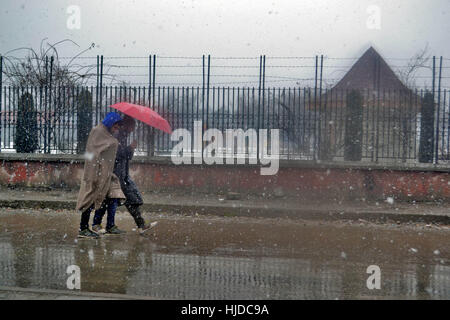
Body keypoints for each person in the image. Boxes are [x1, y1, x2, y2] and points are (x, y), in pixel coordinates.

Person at [92, 115, 157, 235]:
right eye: (133, 125)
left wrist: (131, 149)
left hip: (122, 175)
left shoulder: (123, 135)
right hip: (116, 174)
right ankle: (97, 224)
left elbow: (126, 156)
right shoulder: (118, 135)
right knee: (109, 199)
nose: (134, 128)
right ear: (127, 125)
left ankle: (140, 224)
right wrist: (129, 148)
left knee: (129, 199)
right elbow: (116, 154)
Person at [76, 112, 126, 239]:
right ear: (110, 122)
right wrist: (92, 174)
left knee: (108, 196)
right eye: (115, 126)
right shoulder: (98, 132)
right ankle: (83, 228)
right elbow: (91, 154)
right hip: (95, 173)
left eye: (118, 127)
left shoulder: (107, 135)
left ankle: (106, 225)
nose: (116, 129)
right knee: (89, 198)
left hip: (106, 174)